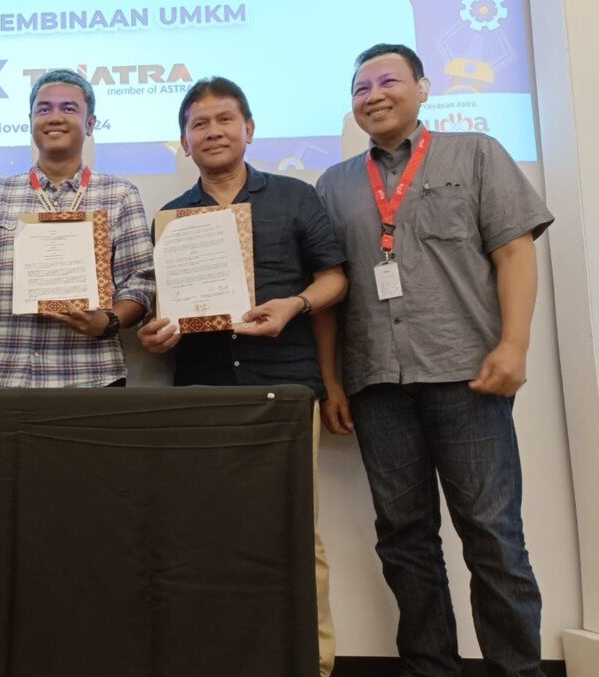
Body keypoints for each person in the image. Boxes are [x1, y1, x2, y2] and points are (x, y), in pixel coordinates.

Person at [315, 44, 552, 676]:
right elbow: (330, 290)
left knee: (493, 535)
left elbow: (515, 251)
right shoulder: (334, 185)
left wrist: (515, 345)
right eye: (360, 87)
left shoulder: (476, 153)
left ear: (422, 89)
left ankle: (517, 670)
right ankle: (429, 667)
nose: (373, 95)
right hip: (376, 383)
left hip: (468, 374)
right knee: (404, 539)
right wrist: (332, 379)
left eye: (388, 81)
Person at [137, 77, 346, 677]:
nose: (213, 132)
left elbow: (335, 278)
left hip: (284, 389)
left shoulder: (295, 196)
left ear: (249, 129)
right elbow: (169, 310)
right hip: (201, 392)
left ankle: (316, 662)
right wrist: (158, 334)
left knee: (295, 532)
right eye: (199, 124)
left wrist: (294, 306)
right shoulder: (171, 217)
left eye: (225, 119)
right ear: (184, 141)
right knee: (208, 534)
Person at [0, 69, 154, 387]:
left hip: (94, 375)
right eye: (43, 109)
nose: (55, 117)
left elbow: (140, 284)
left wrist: (107, 321)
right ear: (30, 121)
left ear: (90, 124)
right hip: (11, 376)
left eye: (68, 108)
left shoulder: (120, 194)